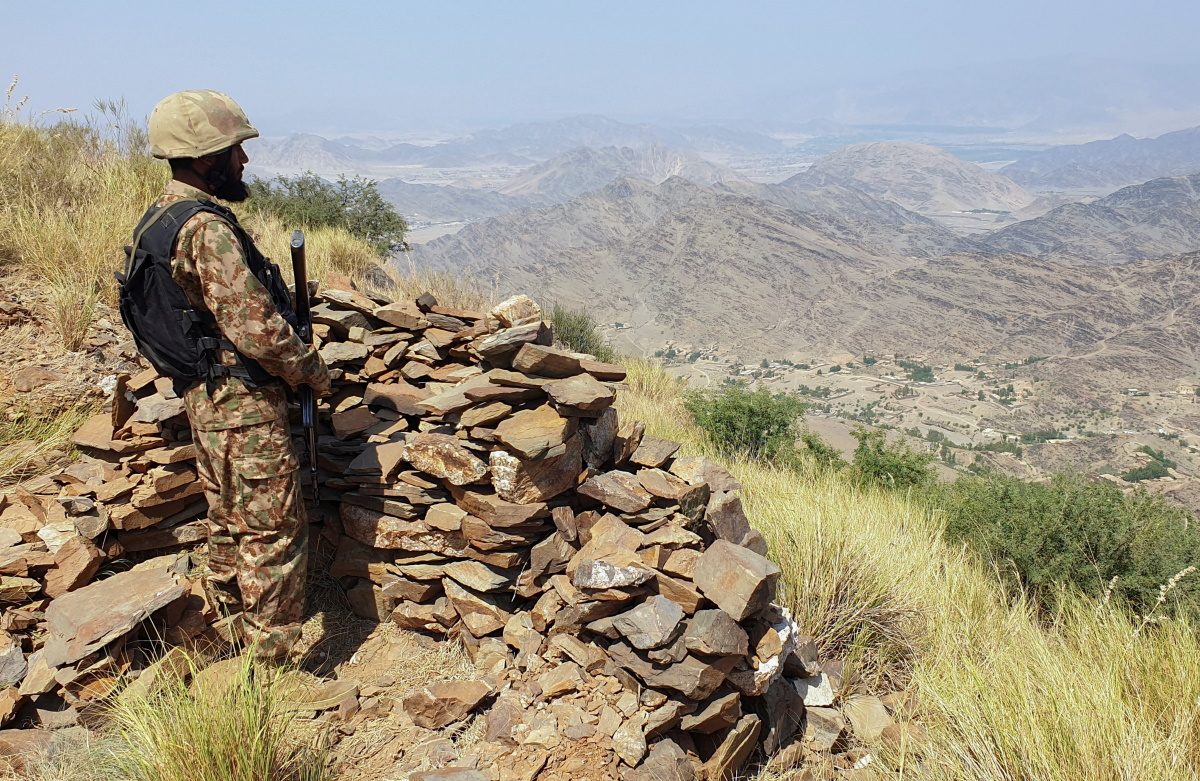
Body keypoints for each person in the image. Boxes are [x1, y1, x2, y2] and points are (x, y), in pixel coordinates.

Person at [139, 89, 331, 660]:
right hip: (242, 403)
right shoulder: (206, 228)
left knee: (228, 518)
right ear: (204, 158)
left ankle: (225, 624)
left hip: (206, 396)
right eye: (234, 150)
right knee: (273, 529)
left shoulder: (159, 219)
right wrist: (311, 370)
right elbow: (256, 329)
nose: (244, 160)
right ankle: (271, 661)